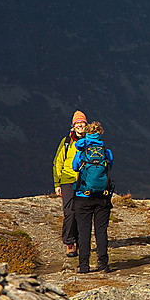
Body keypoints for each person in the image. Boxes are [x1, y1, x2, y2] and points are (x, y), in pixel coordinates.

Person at [72, 121, 114, 273]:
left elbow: (75, 167)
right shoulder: (105, 151)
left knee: (84, 232)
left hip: (83, 196)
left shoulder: (81, 151)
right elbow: (110, 166)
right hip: (102, 197)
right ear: (100, 133)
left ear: (87, 134)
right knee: (101, 231)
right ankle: (103, 264)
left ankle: (84, 266)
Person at [52, 110, 88, 257]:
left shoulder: (90, 140)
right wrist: (57, 183)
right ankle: (69, 242)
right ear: (73, 126)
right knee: (69, 212)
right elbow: (57, 162)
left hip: (85, 181)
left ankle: (81, 243)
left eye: (82, 123)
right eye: (77, 123)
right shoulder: (66, 141)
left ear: (86, 125)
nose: (80, 125)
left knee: (82, 213)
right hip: (67, 180)